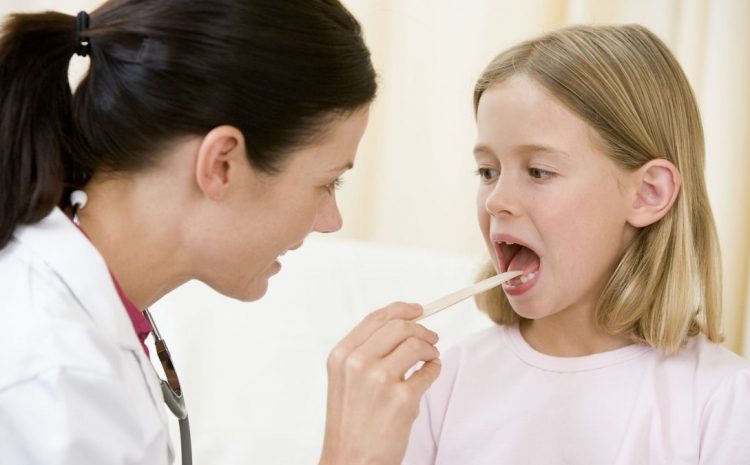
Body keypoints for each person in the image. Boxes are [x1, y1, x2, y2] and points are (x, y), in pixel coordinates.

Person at [0, 1, 442, 464]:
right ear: (221, 164)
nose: (331, 221)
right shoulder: (53, 381)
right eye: (327, 182)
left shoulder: (81, 325)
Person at [403, 24, 750, 465]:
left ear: (648, 194)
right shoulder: (442, 382)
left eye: (539, 171)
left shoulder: (724, 402)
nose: (496, 200)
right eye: (488, 172)